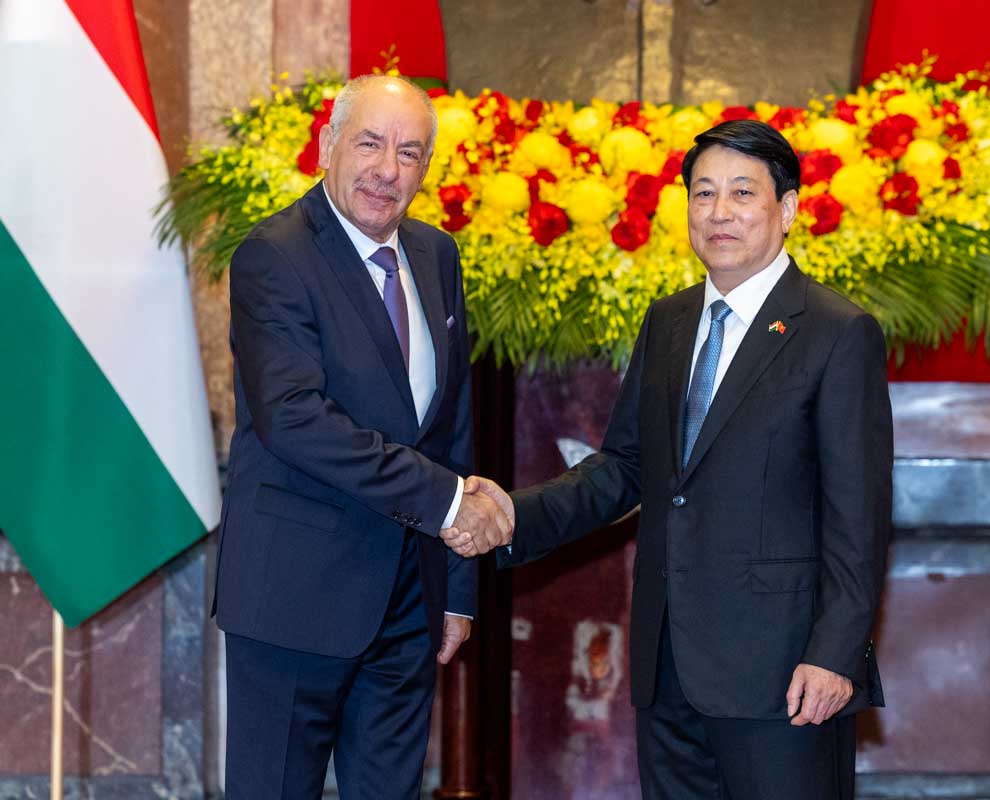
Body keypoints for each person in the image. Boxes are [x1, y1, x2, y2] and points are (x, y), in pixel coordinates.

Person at [448, 120, 892, 799]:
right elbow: (626, 466)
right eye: (704, 193)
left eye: (743, 193)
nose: (720, 212)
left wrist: (834, 655)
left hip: (784, 674)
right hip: (668, 668)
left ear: (790, 209)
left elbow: (857, 516)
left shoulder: (836, 332)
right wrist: (511, 515)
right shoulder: (672, 321)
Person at [213, 75, 510, 799]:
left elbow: (449, 425)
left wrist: (458, 590)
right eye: (370, 143)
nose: (387, 169)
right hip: (291, 603)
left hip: (407, 609)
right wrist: (447, 503)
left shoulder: (437, 255)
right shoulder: (274, 255)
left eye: (409, 153)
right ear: (327, 146)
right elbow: (294, 418)